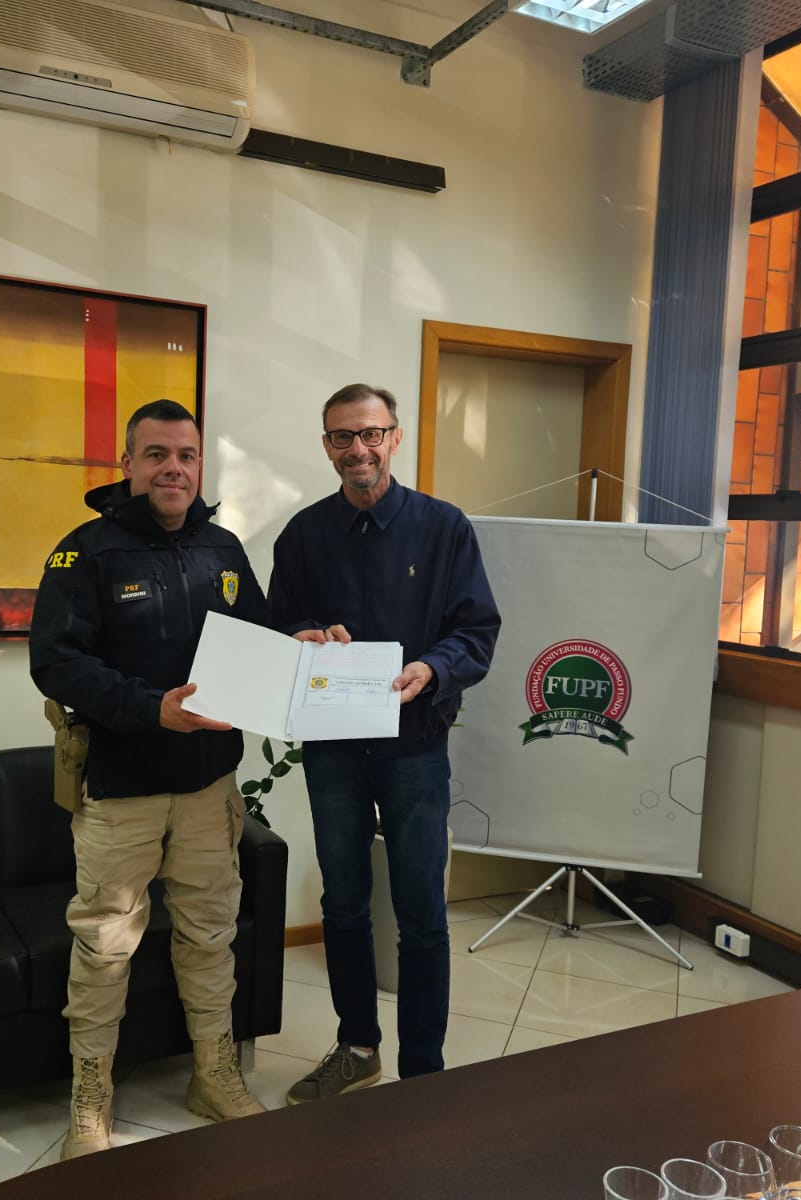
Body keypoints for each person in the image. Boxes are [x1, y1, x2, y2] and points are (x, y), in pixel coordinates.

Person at [29, 398, 269, 1158]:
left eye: (187, 455)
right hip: (122, 786)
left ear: (200, 466)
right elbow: (56, 663)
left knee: (210, 934)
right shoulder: (85, 552)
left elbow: (258, 641)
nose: (174, 468)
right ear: (128, 463)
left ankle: (214, 1073)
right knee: (105, 947)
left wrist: (302, 649)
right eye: (157, 454)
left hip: (209, 786)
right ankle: (90, 1096)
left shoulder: (223, 548)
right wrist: (149, 709)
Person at [269, 382, 500, 1100]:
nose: (358, 449)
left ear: (395, 437)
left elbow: (477, 631)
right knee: (343, 904)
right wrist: (303, 637)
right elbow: (279, 628)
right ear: (327, 446)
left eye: (371, 434)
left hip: (414, 746)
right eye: (343, 436)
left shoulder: (444, 528)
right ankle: (358, 1047)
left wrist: (433, 668)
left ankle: (423, 1072)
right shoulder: (303, 535)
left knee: (421, 914)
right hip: (334, 750)